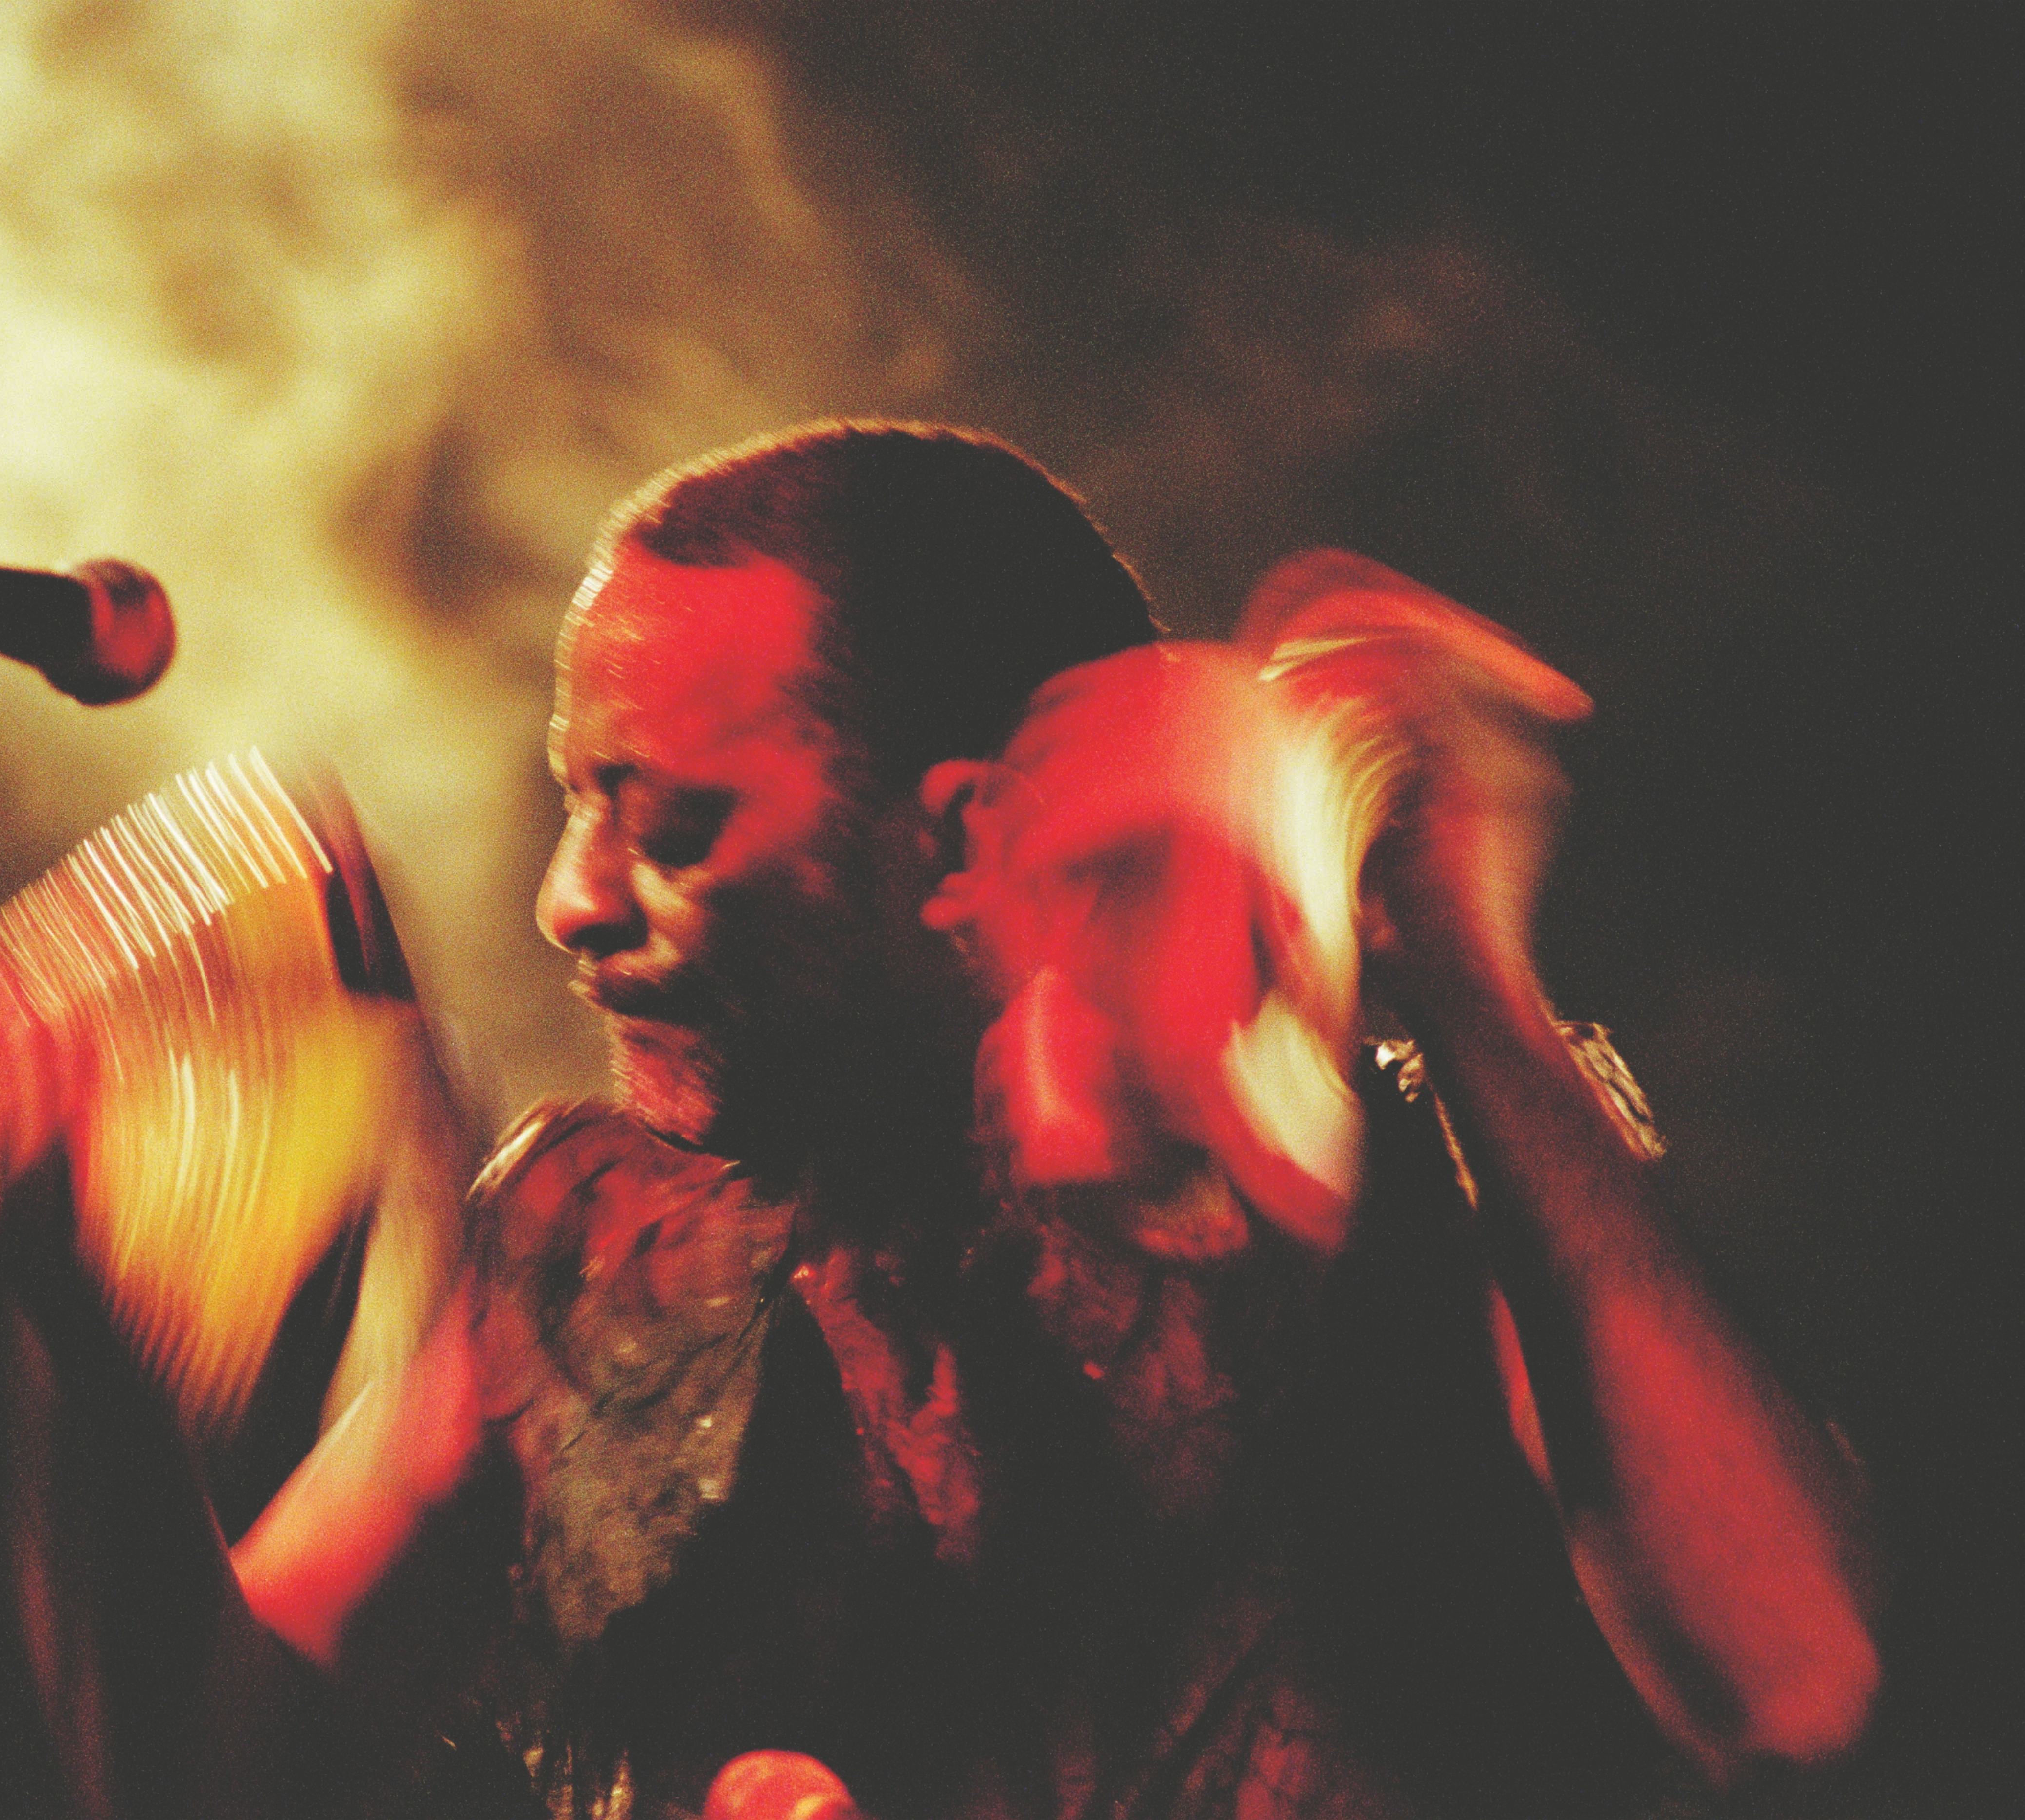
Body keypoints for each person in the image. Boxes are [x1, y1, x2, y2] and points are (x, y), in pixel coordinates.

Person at [232, 423, 1882, 1819]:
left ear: (952, 841)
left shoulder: (1421, 1189)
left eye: (663, 817)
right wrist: (24, 1320)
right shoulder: (606, 1268)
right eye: (578, 796)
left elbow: (1793, 1684)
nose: (567, 900)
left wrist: (1464, 965)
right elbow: (198, 1752)